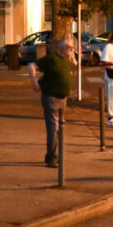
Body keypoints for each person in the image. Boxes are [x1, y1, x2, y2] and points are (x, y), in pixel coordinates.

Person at [28, 38, 74, 168]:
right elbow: (32, 66)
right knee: (54, 128)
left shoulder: (67, 60)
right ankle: (52, 158)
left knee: (60, 129)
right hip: (51, 98)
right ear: (62, 48)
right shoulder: (51, 59)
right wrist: (34, 81)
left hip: (63, 98)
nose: (71, 51)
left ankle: (53, 155)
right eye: (70, 48)